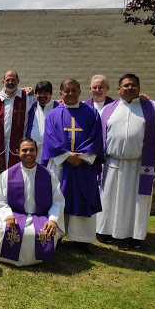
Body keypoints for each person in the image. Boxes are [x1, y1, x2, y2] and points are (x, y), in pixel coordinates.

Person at [97, 74, 155, 249]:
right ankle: (105, 231)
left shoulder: (152, 108)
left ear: (139, 88)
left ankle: (135, 235)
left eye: (133, 85)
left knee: (137, 201)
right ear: (119, 89)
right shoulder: (108, 109)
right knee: (109, 199)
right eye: (126, 85)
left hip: (139, 165)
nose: (130, 88)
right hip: (112, 164)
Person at [42, 79, 104, 253]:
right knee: (58, 198)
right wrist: (67, 156)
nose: (70, 94)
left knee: (83, 197)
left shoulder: (91, 113)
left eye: (74, 90)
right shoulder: (53, 115)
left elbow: (96, 138)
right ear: (61, 93)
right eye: (67, 91)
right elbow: (50, 139)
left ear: (80, 92)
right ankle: (57, 234)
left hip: (84, 166)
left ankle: (82, 239)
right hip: (61, 165)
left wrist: (81, 157)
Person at [0, 139, 65, 266]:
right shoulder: (7, 175)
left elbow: (58, 200)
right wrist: (8, 215)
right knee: (13, 232)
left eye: (31, 150)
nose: (28, 153)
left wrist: (53, 219)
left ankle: (39, 257)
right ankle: (13, 256)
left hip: (42, 216)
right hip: (15, 215)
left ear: (37, 151)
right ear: (17, 152)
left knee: (42, 232)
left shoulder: (49, 175)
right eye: (24, 150)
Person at [0, 70, 36, 182]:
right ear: (3, 81)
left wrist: (59, 102)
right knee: (0, 177)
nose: (10, 82)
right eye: (8, 80)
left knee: (17, 176)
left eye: (13, 79)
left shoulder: (27, 97)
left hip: (18, 145)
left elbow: (43, 102)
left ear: (18, 81)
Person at [25, 80, 59, 162]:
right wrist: (26, 89)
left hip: (52, 151)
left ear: (51, 94)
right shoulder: (32, 105)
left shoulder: (58, 107)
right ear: (36, 94)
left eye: (45, 93)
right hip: (34, 150)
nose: (42, 96)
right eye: (39, 93)